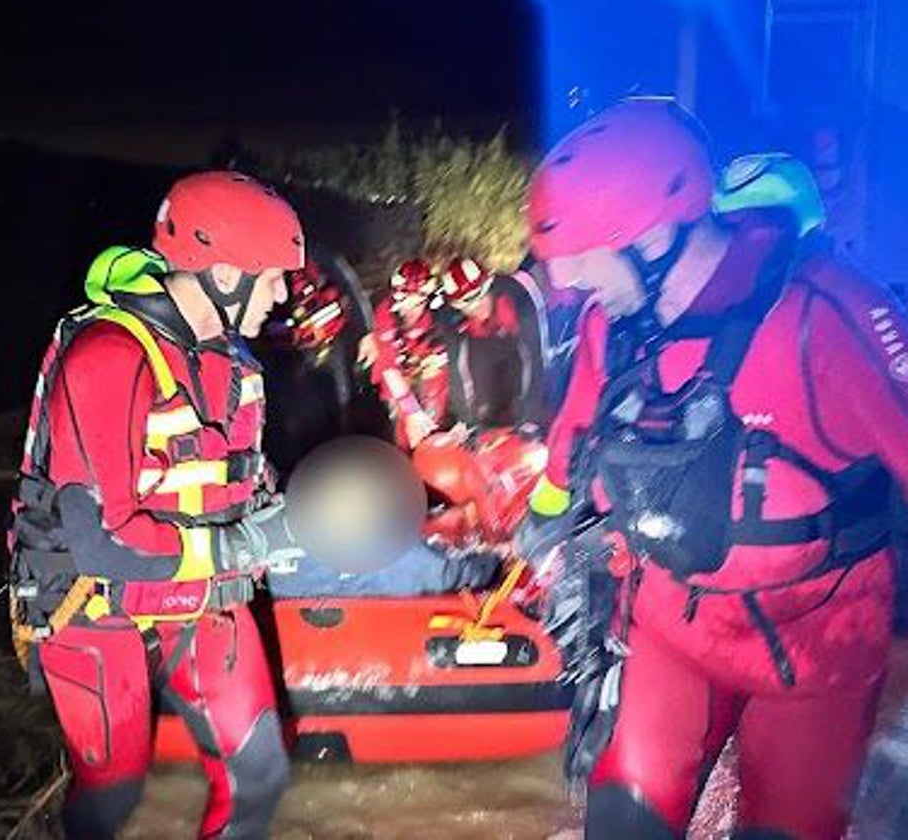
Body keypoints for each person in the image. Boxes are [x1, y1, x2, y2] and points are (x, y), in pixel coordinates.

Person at [516, 98, 908, 839]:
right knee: (621, 825)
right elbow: (573, 440)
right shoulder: (613, 323)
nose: (564, 280)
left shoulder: (828, 315)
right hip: (671, 626)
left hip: (813, 652)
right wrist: (545, 516)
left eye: (581, 254)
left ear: (658, 235)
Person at [7, 171, 305, 839]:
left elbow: (241, 480)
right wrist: (241, 546)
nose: (284, 295)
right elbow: (100, 539)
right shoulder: (107, 354)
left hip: (195, 599)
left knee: (260, 774)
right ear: (225, 273)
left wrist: (298, 516)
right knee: (113, 798)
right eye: (275, 277)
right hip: (93, 603)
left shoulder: (235, 364)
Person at [437, 256, 548, 430]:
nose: (477, 309)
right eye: (469, 307)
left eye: (481, 298)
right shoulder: (453, 320)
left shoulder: (516, 295)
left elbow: (534, 355)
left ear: (489, 286)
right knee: (483, 407)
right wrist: (468, 423)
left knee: (533, 411)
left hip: (520, 341)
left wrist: (528, 415)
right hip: (485, 344)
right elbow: (459, 370)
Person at [358, 258, 449, 449]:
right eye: (406, 304)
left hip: (425, 372)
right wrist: (411, 409)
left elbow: (447, 346)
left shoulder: (438, 312)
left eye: (418, 304)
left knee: (432, 410)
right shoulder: (385, 312)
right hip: (397, 380)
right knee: (405, 429)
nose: (412, 311)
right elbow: (388, 366)